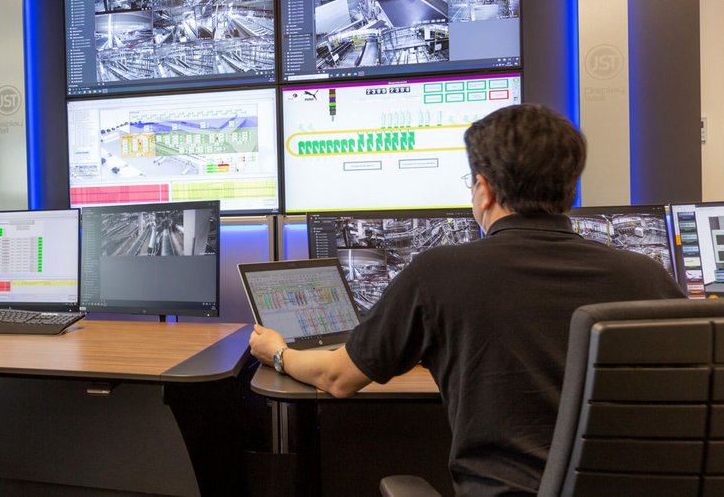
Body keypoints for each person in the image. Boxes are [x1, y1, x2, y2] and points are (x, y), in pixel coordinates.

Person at [250, 103, 684, 497]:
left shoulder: (438, 273)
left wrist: (279, 353)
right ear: (569, 187)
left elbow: (338, 378)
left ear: (484, 188)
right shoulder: (648, 278)